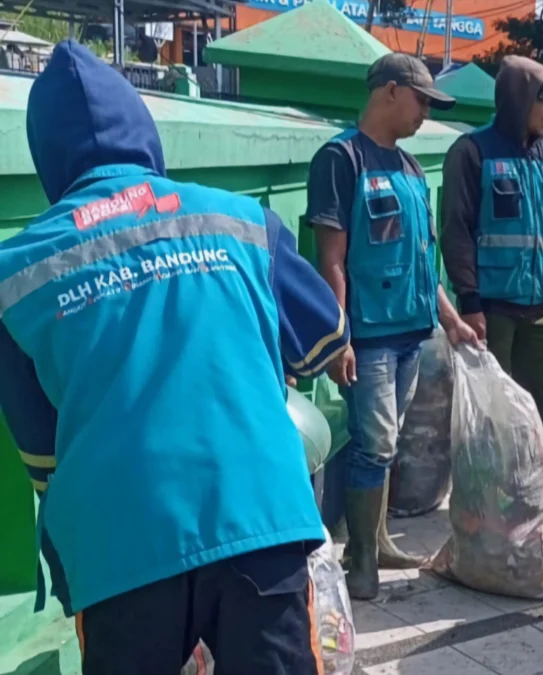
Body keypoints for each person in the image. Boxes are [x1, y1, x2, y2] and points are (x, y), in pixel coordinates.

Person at [0, 41, 350, 674]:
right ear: (145, 132)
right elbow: (327, 335)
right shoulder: (242, 223)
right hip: (260, 519)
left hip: (117, 549)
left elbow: (43, 456)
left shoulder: (15, 276)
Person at [305, 53, 480, 601]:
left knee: (387, 442)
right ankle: (359, 558)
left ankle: (375, 540)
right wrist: (339, 336)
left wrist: (451, 322)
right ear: (389, 91)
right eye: (423, 99)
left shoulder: (408, 168)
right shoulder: (340, 159)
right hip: (369, 335)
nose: (426, 112)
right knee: (374, 445)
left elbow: (425, 263)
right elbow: (331, 260)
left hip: (413, 331)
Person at [440, 55, 543, 515]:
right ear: (517, 102)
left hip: (541, 304)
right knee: (497, 413)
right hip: (492, 307)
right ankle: (497, 502)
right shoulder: (471, 153)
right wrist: (468, 300)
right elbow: (455, 232)